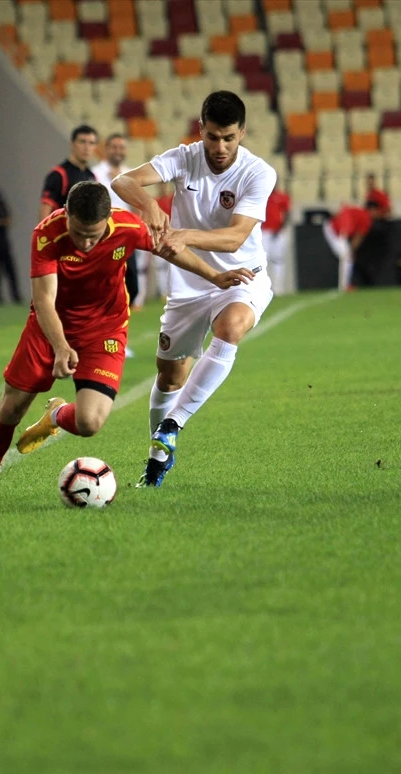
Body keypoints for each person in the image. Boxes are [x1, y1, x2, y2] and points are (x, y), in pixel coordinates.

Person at [0, 181, 254, 507]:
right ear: (66, 214)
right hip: (49, 327)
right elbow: (43, 300)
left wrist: (214, 277)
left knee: (90, 422)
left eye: (94, 235)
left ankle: (55, 416)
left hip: (105, 330)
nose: (85, 243)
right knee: (11, 407)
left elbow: (170, 248)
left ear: (107, 222)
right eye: (79, 232)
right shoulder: (46, 235)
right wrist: (60, 346)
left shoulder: (127, 227)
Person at [111, 90, 278, 489]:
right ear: (201, 130)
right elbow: (123, 181)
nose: (220, 147)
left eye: (230, 138)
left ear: (243, 134)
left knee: (232, 327)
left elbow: (236, 237)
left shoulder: (258, 173)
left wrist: (183, 234)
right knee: (169, 377)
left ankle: (173, 424)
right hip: (188, 285)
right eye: (213, 137)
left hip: (242, 276)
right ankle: (155, 463)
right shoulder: (184, 158)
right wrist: (150, 207)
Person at [91, 132, 141, 311]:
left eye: (121, 147)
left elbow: (137, 203)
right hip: (103, 234)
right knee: (104, 278)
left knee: (132, 279)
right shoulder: (95, 174)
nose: (118, 151)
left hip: (126, 234)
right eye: (114, 147)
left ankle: (121, 309)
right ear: (106, 149)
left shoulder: (131, 174)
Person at [39, 124, 97, 221]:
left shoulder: (91, 176)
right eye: (82, 142)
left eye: (91, 143)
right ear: (72, 144)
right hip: (62, 233)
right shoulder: (59, 174)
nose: (87, 147)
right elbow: (44, 213)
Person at [324, 199, 383, 292]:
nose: (378, 214)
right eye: (377, 211)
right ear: (372, 209)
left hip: (334, 228)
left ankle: (344, 285)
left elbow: (343, 211)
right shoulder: (366, 218)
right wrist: (351, 250)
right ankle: (344, 286)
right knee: (347, 257)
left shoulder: (359, 211)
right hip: (334, 230)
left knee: (347, 257)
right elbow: (358, 237)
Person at [262, 186, 292, 293]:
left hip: (279, 232)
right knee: (262, 260)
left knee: (278, 259)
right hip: (264, 231)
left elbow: (287, 213)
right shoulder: (262, 194)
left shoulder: (282, 196)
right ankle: (264, 289)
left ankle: (278, 288)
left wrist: (281, 227)